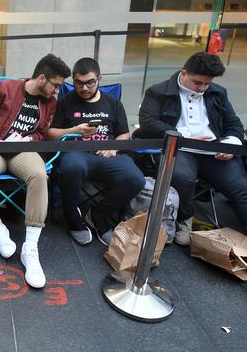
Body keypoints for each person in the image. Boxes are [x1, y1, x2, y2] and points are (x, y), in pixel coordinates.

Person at [0, 54, 71, 289]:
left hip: (22, 152)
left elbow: (42, 133)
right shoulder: (5, 88)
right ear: (42, 78)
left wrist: (28, 139)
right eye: (55, 85)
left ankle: (30, 249)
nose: (57, 91)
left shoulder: (50, 103)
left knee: (38, 174)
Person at [137, 52, 247, 244]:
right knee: (182, 177)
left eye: (207, 83)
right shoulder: (158, 91)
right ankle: (185, 218)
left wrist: (231, 144)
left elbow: (234, 123)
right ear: (184, 73)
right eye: (198, 83)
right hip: (180, 148)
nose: (203, 88)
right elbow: (148, 123)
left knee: (240, 186)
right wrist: (183, 135)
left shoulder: (218, 92)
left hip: (214, 151)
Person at [47, 58, 145, 246]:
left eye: (90, 82)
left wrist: (113, 147)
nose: (84, 88)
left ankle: (99, 213)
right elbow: (50, 134)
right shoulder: (66, 102)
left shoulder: (113, 103)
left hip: (108, 154)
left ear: (99, 78)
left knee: (136, 179)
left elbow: (124, 134)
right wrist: (74, 131)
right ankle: (73, 217)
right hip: (77, 153)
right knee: (71, 166)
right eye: (79, 83)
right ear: (73, 81)